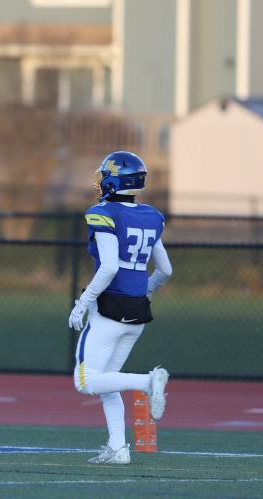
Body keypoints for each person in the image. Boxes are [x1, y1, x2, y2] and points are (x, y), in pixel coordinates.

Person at [68, 150, 173, 465]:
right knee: (106, 379)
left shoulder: (103, 213)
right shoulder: (151, 215)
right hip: (137, 313)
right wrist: (143, 291)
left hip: (110, 311)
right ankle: (118, 448)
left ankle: (147, 382)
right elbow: (165, 270)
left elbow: (110, 266)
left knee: (85, 381)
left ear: (113, 179)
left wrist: (83, 302)